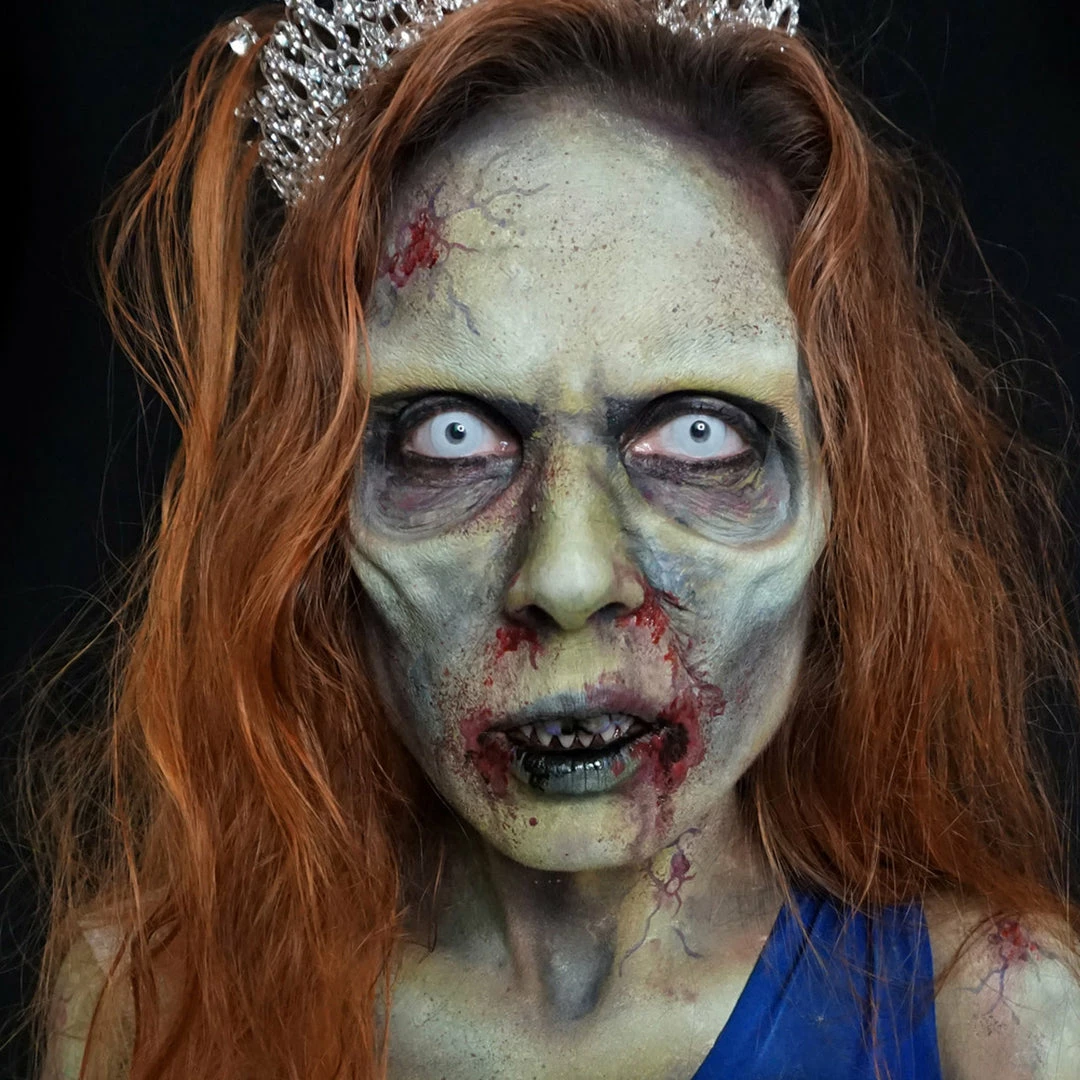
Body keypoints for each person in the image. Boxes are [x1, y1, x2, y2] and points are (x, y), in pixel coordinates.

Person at [21, 0, 1080, 1076]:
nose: (568, 578)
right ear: (316, 508)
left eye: (701, 433)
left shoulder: (995, 1021)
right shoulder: (151, 1005)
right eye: (451, 435)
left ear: (844, 494)